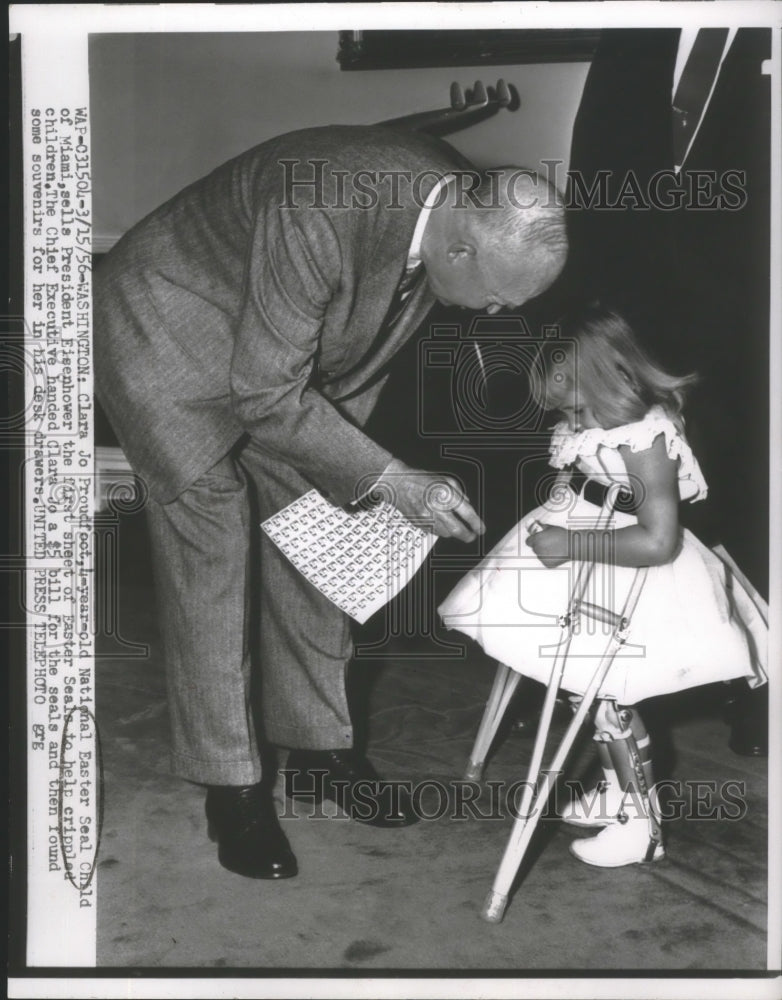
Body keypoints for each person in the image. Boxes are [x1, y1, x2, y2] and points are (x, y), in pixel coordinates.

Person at [94, 124, 568, 880]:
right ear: (459, 251)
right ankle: (233, 786)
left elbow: (332, 349)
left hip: (272, 355)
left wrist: (365, 477)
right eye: (499, 300)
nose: (499, 317)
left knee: (325, 535)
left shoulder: (450, 199)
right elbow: (265, 393)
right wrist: (395, 478)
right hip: (168, 325)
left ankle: (319, 750)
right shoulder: (319, 203)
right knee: (213, 549)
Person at [439, 306, 767, 867]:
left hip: (631, 576)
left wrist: (569, 544)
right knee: (581, 685)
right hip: (585, 560)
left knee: (609, 697)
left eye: (575, 402)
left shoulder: (646, 438)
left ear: (601, 377)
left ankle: (641, 825)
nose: (572, 416)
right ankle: (616, 789)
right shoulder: (596, 422)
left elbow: (659, 541)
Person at [564, 27, 771, 755]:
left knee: (752, 495)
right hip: (640, 310)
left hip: (756, 308)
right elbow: (594, 170)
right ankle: (582, 683)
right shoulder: (634, 32)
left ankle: (757, 687)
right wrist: (586, 310)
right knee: (618, 480)